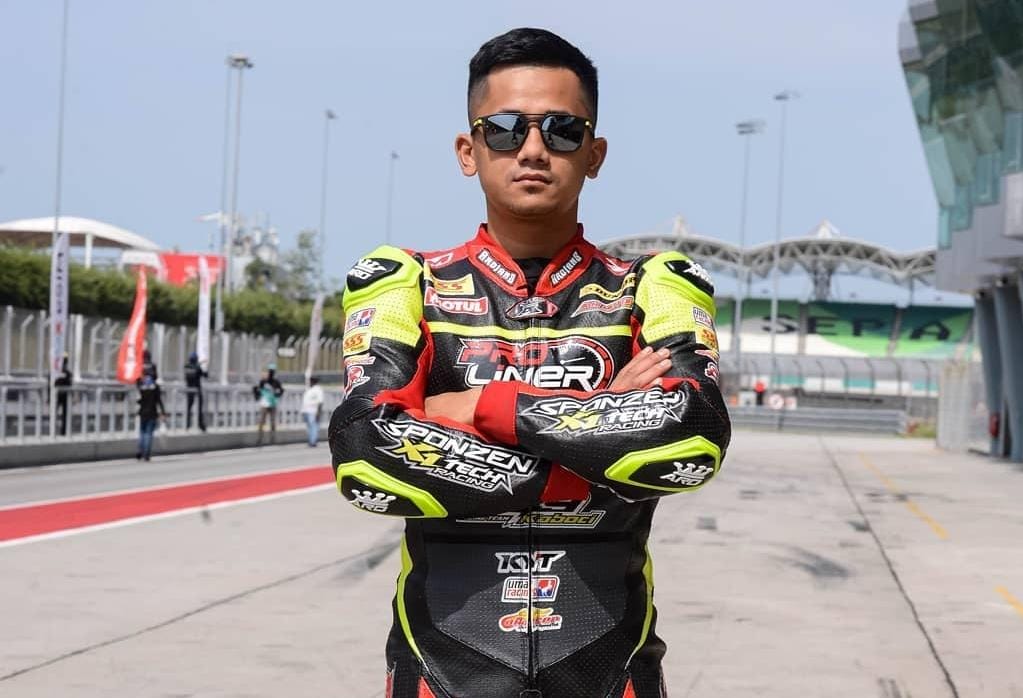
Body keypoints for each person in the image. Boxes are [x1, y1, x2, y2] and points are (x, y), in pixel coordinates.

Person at [328, 28, 730, 698]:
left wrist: (476, 409)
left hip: (613, 671)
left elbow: (692, 434)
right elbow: (367, 451)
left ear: (594, 154)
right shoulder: (405, 283)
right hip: (442, 672)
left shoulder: (655, 285)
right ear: (469, 150)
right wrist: (599, 437)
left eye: (564, 130)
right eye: (506, 128)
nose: (535, 149)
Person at [136, 374, 167, 461]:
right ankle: (146, 454)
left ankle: (140, 451)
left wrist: (138, 377)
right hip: (152, 413)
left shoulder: (142, 388)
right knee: (148, 433)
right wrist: (163, 413)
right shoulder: (155, 388)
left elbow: (139, 399)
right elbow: (159, 401)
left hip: (142, 413)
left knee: (142, 433)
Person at [253, 364, 284, 446]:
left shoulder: (276, 382)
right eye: (270, 371)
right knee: (261, 422)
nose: (271, 373)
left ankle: (272, 439)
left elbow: (281, 391)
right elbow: (257, 390)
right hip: (264, 404)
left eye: (272, 371)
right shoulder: (263, 381)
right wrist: (257, 395)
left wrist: (277, 395)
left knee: (272, 422)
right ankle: (259, 439)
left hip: (273, 404)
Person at [184, 352, 208, 432]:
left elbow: (191, 368)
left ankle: (187, 425)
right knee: (199, 409)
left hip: (189, 390)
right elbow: (205, 375)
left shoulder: (186, 366)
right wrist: (204, 366)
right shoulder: (198, 367)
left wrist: (199, 364)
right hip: (197, 390)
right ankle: (200, 425)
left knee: (188, 408)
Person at [300, 376, 325, 447]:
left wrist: (318, 413)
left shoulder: (318, 389)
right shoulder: (309, 389)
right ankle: (311, 440)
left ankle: (313, 441)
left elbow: (320, 402)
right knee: (309, 427)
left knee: (314, 426)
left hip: (313, 411)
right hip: (306, 411)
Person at [54, 354, 73, 436]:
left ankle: (62, 432)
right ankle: (58, 431)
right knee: (57, 415)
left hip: (63, 396)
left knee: (64, 415)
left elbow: (70, 385)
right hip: (60, 396)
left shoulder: (67, 373)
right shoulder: (57, 373)